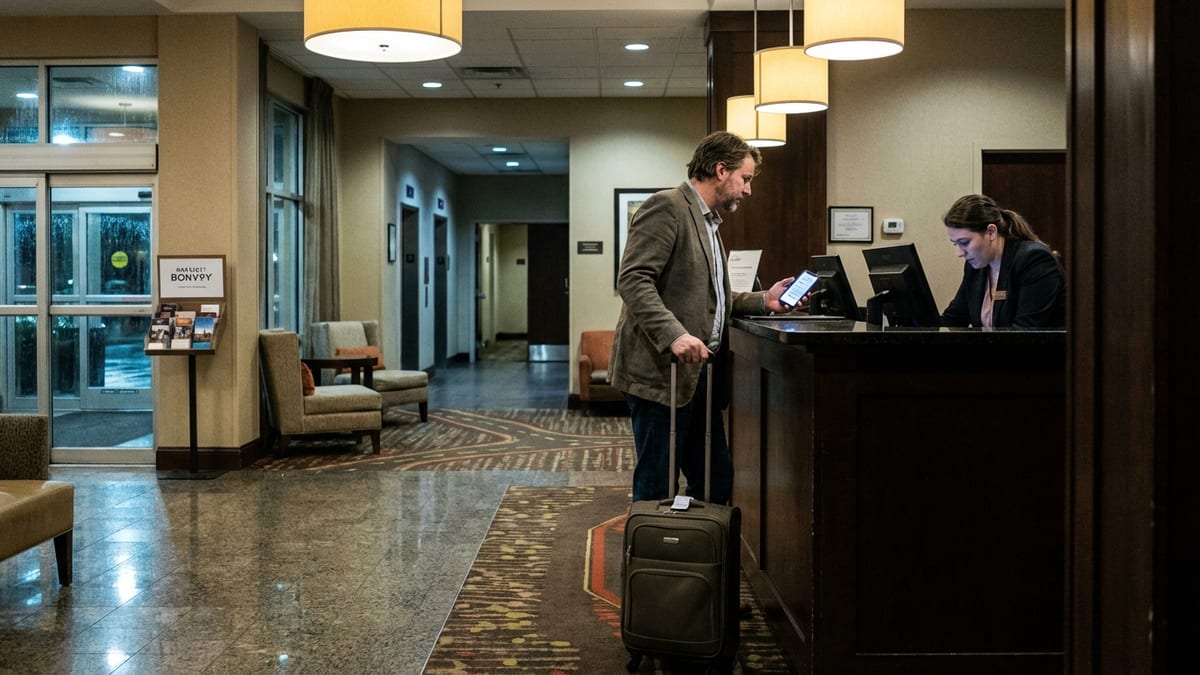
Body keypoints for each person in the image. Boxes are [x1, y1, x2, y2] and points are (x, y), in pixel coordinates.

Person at [609, 131, 794, 504]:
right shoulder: (668, 206)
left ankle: (697, 557)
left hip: (700, 378)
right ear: (720, 170)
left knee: (714, 481)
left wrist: (765, 300)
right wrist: (674, 335)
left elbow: (713, 300)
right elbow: (633, 279)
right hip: (662, 374)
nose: (748, 190)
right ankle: (654, 559)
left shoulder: (709, 223)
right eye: (746, 179)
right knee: (657, 483)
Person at [940, 193, 1066, 329]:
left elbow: (1025, 333)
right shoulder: (976, 265)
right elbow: (954, 319)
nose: (959, 253)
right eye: (955, 244)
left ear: (991, 232)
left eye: (964, 242)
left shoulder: (1033, 260)